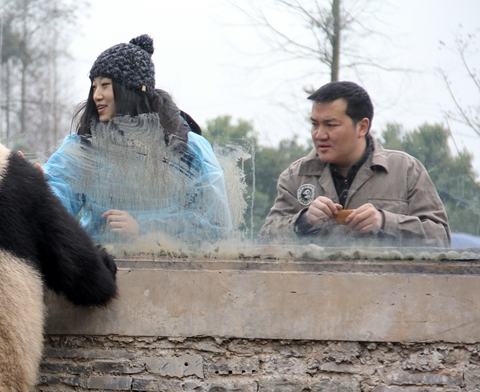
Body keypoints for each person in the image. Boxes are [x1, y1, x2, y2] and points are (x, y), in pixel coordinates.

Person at [42, 35, 231, 246]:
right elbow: (57, 194)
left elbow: (215, 224)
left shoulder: (186, 147)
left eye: (105, 85)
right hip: (99, 269)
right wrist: (33, 186)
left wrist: (144, 228)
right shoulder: (84, 147)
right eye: (94, 87)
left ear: (131, 90)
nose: (97, 95)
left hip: (172, 272)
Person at [259, 81, 450, 247]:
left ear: (362, 127)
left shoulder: (406, 170)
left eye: (330, 125)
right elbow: (265, 241)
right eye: (314, 124)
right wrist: (304, 222)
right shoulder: (295, 176)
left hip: (387, 287)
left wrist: (385, 222)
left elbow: (441, 238)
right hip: (313, 288)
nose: (319, 134)